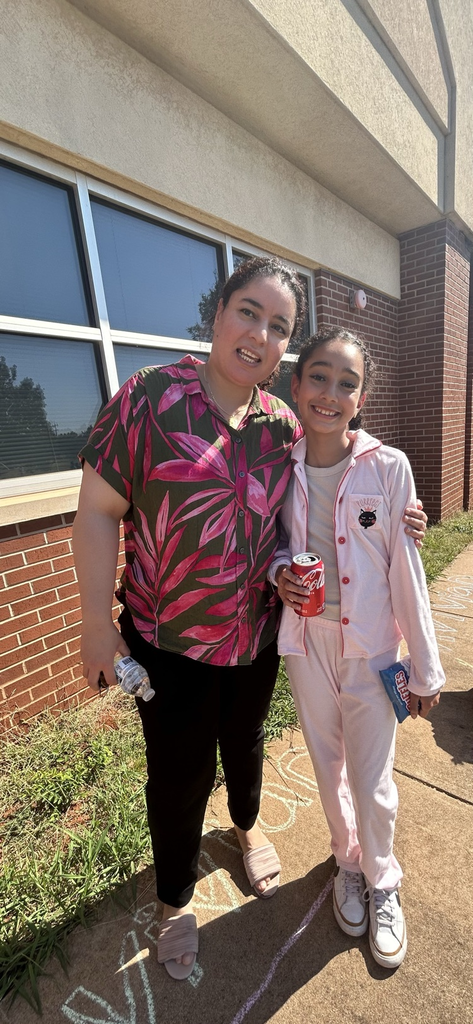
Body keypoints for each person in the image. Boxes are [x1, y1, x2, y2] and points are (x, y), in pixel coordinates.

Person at [72, 259, 427, 980]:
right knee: (179, 774)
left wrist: (402, 514)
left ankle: (245, 825)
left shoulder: (281, 425)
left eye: (278, 326)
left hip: (260, 636)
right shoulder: (149, 398)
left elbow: (329, 482)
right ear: (218, 313)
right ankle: (174, 900)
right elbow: (98, 510)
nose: (260, 335)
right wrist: (94, 624)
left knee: (245, 746)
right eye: (248, 313)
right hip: (170, 638)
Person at [270, 327, 444, 970]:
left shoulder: (387, 467)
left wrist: (425, 668)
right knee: (328, 766)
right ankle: (348, 863)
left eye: (347, 383)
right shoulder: (279, 467)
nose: (330, 393)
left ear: (361, 398)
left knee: (373, 782)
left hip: (372, 648)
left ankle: (383, 879)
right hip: (307, 642)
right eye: (318, 376)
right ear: (296, 386)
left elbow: (406, 568)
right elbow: (274, 544)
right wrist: (279, 574)